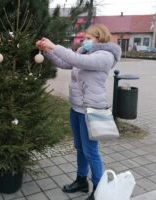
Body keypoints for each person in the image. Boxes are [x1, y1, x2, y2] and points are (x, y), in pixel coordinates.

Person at [36, 24, 121, 200]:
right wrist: (47, 51)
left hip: (91, 110)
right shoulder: (84, 52)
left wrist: (54, 46)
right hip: (76, 108)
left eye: (90, 38)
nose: (85, 41)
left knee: (91, 151)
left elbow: (77, 61)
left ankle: (99, 188)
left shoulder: (105, 56)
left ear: (100, 38)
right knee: (80, 149)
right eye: (85, 38)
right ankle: (81, 181)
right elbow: (64, 62)